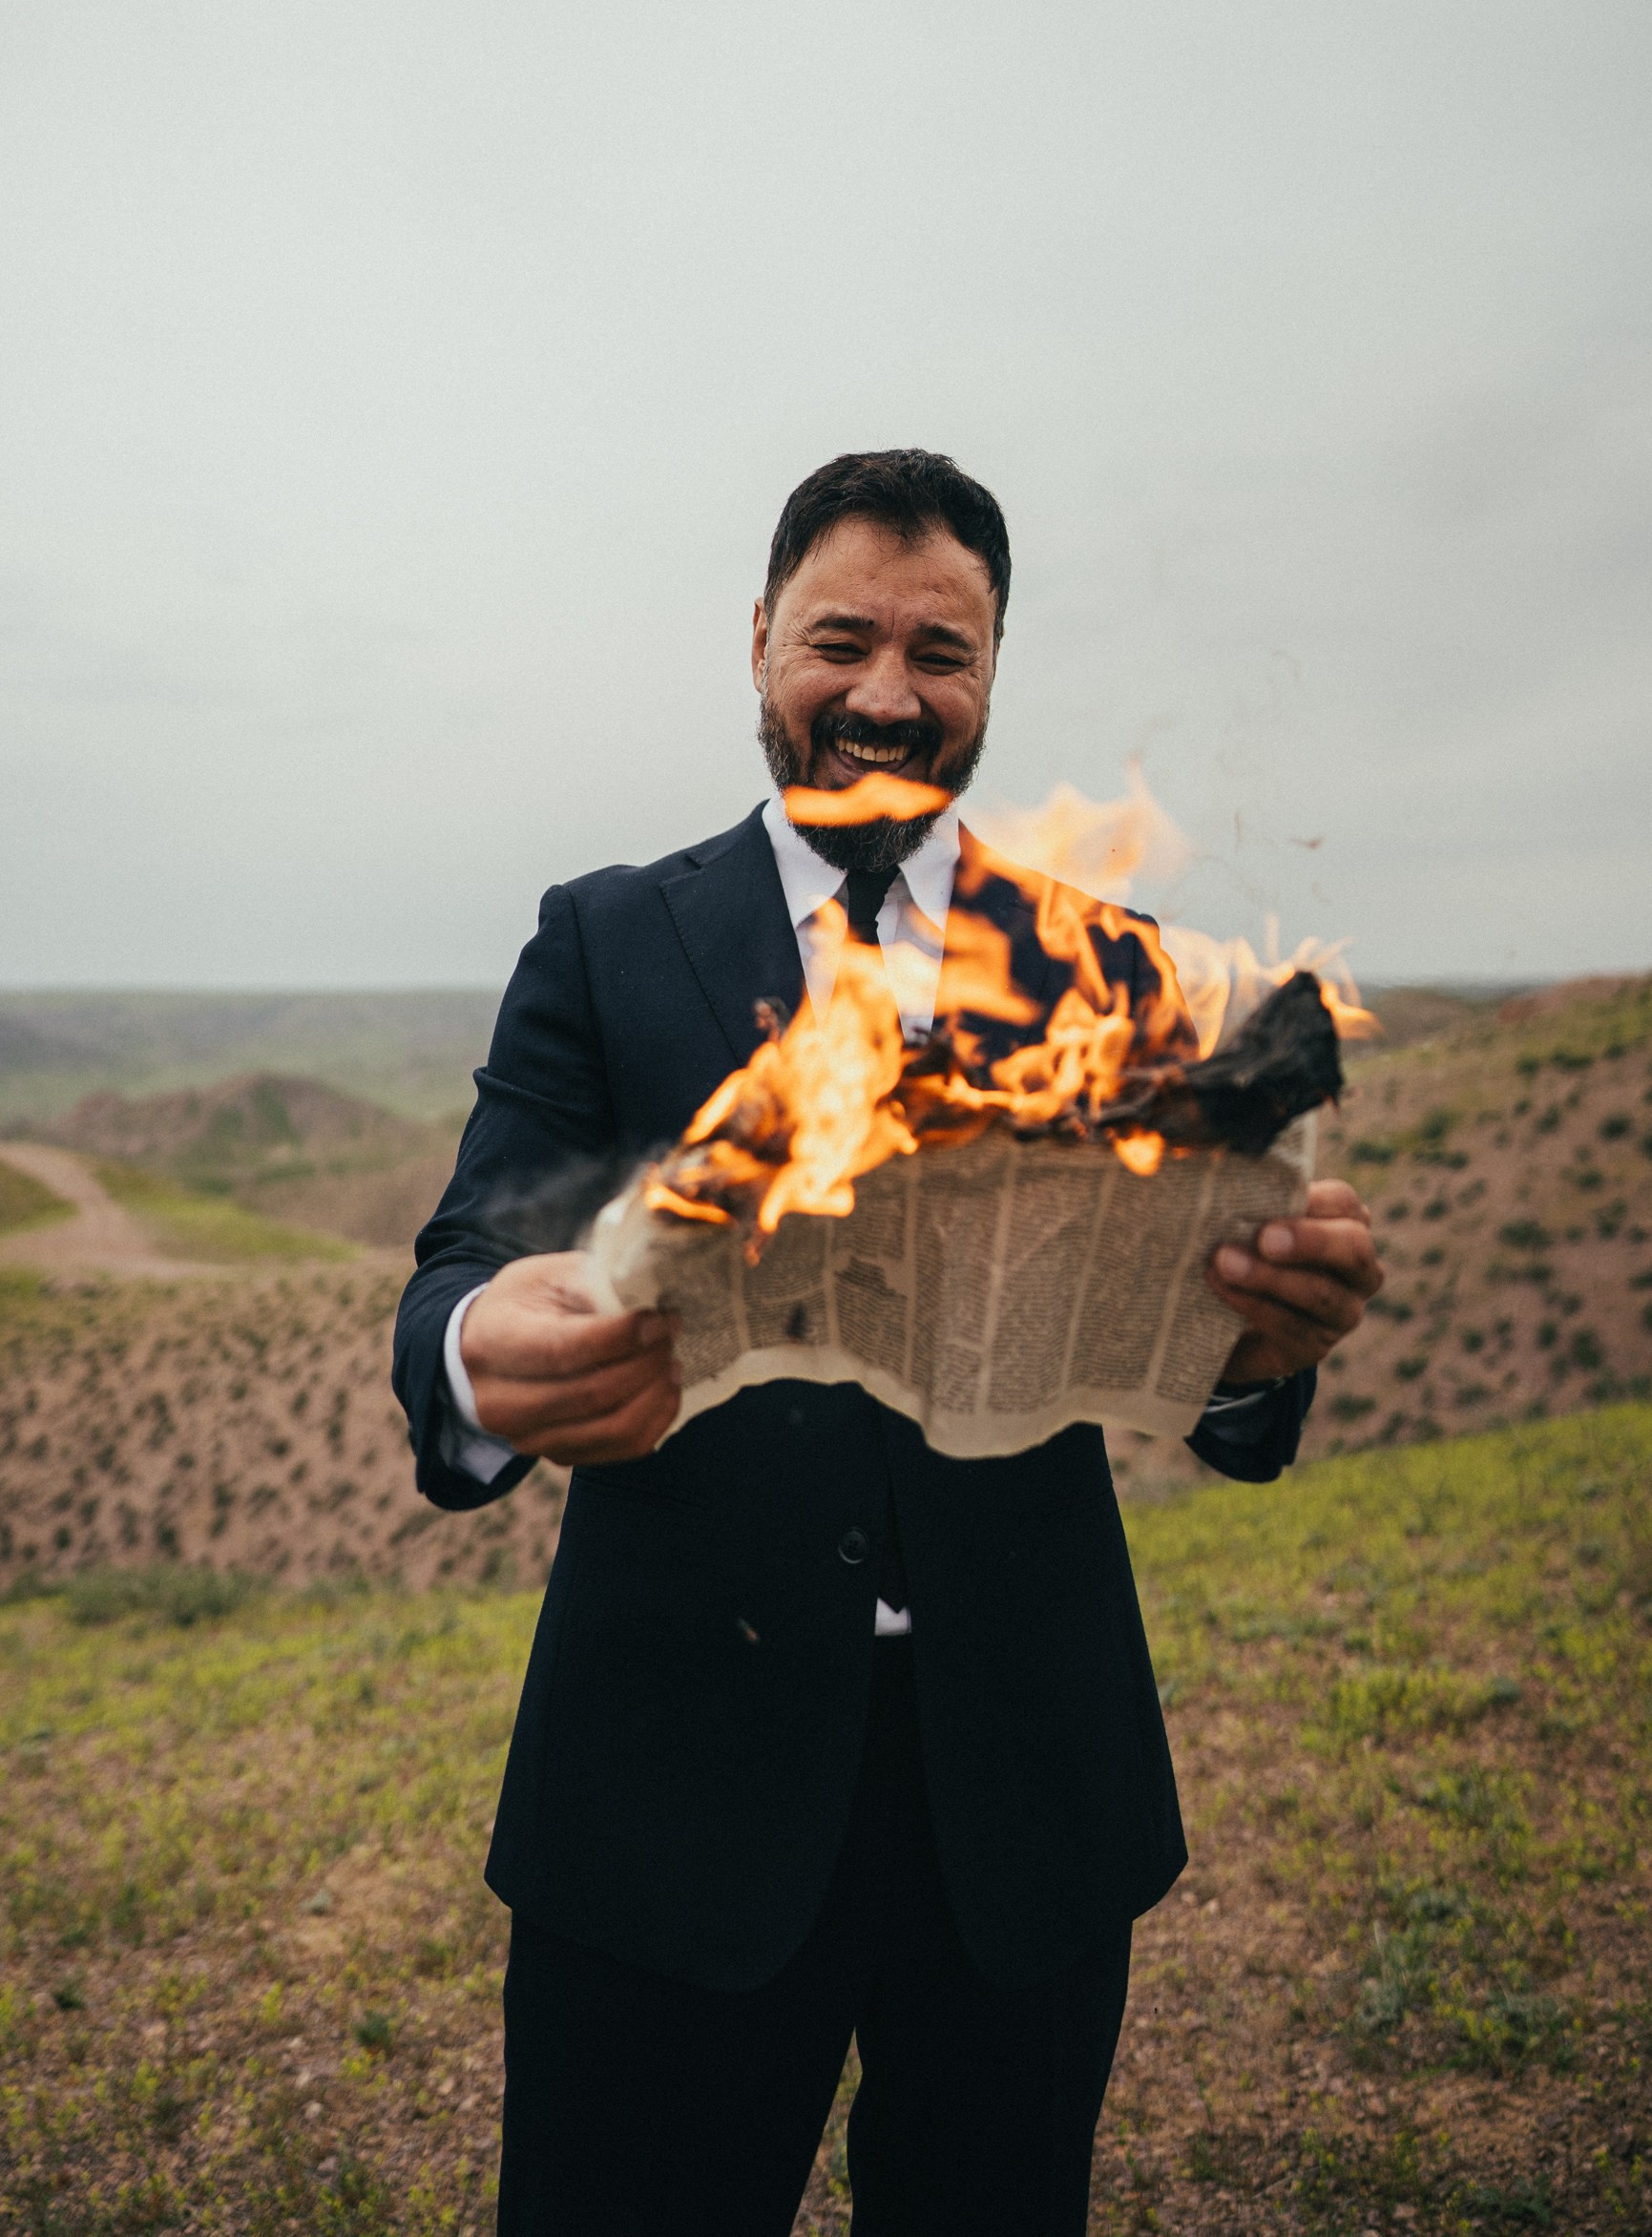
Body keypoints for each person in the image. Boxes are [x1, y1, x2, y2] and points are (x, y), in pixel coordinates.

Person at [392, 449, 1382, 2237]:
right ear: (759, 639)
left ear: (993, 675)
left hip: (1023, 1792)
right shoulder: (608, 938)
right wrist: (478, 1353)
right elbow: (467, 1255)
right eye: (841, 638)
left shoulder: (1114, 969)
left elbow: (1219, 1361)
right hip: (670, 1785)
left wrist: (1258, 1348)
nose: (886, 692)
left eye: (945, 651)